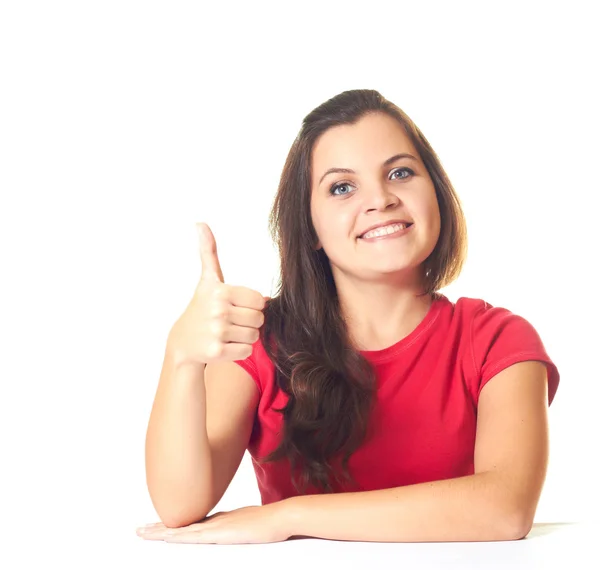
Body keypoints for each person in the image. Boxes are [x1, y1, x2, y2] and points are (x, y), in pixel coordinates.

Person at [138, 89, 560, 544]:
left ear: (435, 191)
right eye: (342, 187)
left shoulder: (499, 340)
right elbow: (180, 506)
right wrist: (181, 356)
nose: (380, 199)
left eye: (400, 172)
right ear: (311, 228)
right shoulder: (262, 342)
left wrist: (289, 516)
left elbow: (505, 510)